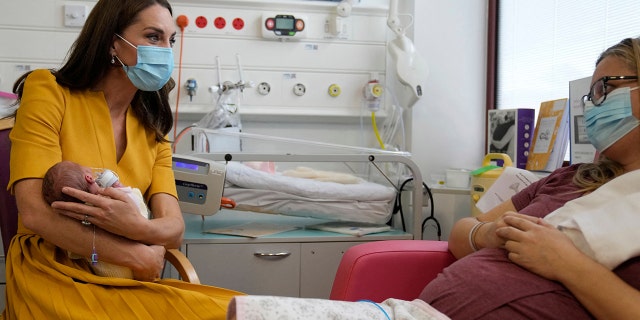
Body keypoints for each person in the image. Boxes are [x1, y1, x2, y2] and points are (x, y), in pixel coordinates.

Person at [4, 0, 242, 318]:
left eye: (170, 40)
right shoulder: (48, 91)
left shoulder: (153, 128)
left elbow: (173, 229)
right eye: (153, 37)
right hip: (52, 273)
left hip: (126, 277)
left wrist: (132, 228)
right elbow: (35, 214)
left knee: (239, 310)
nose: (165, 51)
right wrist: (135, 255)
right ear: (113, 42)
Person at [420, 37, 640, 319]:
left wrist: (567, 263)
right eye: (591, 97)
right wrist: (489, 234)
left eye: (605, 88)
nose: (593, 106)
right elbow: (461, 233)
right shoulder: (570, 178)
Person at [42, 160, 150, 278]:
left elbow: (74, 252)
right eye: (82, 166)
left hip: (106, 274)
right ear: (89, 178)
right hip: (137, 265)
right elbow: (138, 209)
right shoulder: (113, 198)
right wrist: (120, 188)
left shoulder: (73, 221)